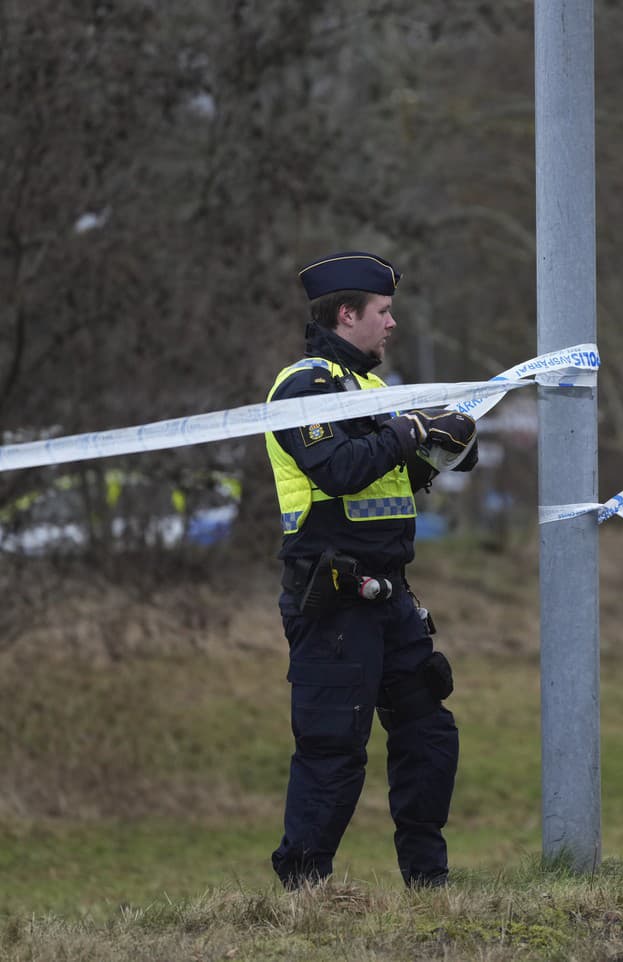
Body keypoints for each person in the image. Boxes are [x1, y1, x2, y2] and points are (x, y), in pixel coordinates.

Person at [264, 250, 478, 890]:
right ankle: (304, 890)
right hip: (330, 597)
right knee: (333, 749)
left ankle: (427, 878)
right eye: (383, 313)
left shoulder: (378, 391)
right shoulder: (301, 388)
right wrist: (410, 430)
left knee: (429, 733)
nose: (392, 324)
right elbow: (339, 470)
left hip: (391, 595)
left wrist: (451, 440)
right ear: (347, 313)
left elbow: (402, 474)